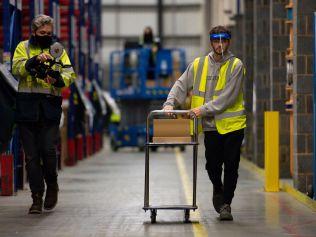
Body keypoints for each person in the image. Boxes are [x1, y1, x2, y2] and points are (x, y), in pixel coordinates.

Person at [163, 25, 246, 221]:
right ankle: (218, 187)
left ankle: (226, 204)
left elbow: (227, 98)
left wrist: (202, 110)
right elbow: (180, 85)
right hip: (211, 126)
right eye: (216, 40)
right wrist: (169, 104)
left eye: (223, 40)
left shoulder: (236, 66)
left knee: (232, 166)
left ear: (229, 41)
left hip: (233, 126)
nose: (220, 44)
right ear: (211, 42)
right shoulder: (198, 64)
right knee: (212, 165)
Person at [12, 14, 76, 214]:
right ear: (34, 32)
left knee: (48, 152)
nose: (46, 36)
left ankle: (52, 187)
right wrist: (33, 61)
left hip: (49, 110)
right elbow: (15, 68)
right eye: (42, 33)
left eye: (49, 33)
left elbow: (70, 74)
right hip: (27, 110)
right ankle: (36, 198)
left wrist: (58, 79)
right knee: (31, 157)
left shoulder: (58, 50)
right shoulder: (23, 47)